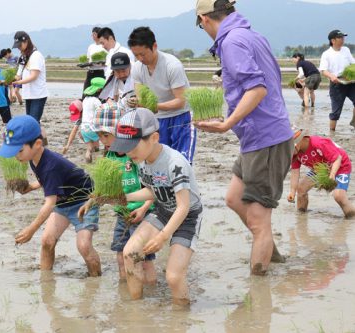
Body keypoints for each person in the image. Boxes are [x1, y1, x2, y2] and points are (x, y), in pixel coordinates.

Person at [195, 0, 294, 275]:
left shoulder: (232, 42)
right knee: (234, 198)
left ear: (204, 20)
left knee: (259, 220)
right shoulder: (251, 35)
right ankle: (269, 250)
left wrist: (228, 123)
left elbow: (257, 89)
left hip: (266, 139)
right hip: (256, 137)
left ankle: (258, 293)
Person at [107, 107, 203, 305]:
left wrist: (163, 236)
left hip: (187, 217)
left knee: (173, 277)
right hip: (162, 210)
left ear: (154, 137)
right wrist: (124, 196)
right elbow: (153, 190)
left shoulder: (175, 163)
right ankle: (136, 309)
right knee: (130, 254)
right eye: (125, 146)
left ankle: (181, 316)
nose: (128, 152)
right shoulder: (142, 161)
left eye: (133, 145)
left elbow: (183, 207)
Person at [0, 115, 101, 276]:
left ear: (38, 144)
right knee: (47, 242)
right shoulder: (33, 158)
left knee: (84, 246)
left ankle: (95, 280)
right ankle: (45, 282)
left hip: (84, 202)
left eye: (19, 151)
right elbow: (48, 180)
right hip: (64, 203)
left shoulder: (50, 165)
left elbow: (50, 203)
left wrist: (31, 229)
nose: (16, 156)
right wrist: (31, 187)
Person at [79, 102, 157, 283]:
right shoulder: (109, 157)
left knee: (144, 260)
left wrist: (144, 208)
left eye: (106, 135)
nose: (103, 140)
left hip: (144, 215)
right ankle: (126, 292)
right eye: (99, 136)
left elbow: (153, 189)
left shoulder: (137, 156)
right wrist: (89, 203)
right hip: (122, 215)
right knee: (121, 256)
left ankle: (151, 293)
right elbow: (104, 190)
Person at [127, 27, 197, 164]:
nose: (140, 59)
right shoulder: (137, 68)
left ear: (154, 46)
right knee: (159, 163)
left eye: (143, 54)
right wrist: (136, 102)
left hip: (180, 118)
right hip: (157, 120)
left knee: (182, 164)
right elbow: (141, 97)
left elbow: (181, 101)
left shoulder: (172, 66)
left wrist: (154, 106)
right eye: (136, 55)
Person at [288, 129, 355, 217]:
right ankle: (301, 218)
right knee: (301, 189)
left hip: (340, 166)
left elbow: (337, 158)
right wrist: (292, 191)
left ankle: (351, 219)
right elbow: (295, 172)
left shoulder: (318, 143)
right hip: (320, 169)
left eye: (293, 145)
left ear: (303, 138)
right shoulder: (295, 154)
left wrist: (332, 175)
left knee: (339, 196)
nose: (290, 150)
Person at [11, 31, 49, 145]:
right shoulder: (23, 56)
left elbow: (34, 76)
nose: (19, 48)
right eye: (17, 47)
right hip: (29, 94)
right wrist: (9, 81)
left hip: (38, 94)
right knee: (32, 121)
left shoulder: (36, 55)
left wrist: (17, 82)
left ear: (26, 42)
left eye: (20, 45)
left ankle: (35, 145)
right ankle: (43, 142)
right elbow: (18, 74)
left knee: (33, 122)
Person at [318, 30, 355, 131]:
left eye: (343, 37)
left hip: (350, 81)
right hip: (337, 84)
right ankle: (332, 133)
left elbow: (353, 63)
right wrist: (331, 76)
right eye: (340, 38)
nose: (343, 39)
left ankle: (354, 122)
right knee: (336, 112)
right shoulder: (326, 54)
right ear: (333, 40)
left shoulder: (346, 50)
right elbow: (323, 70)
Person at [81, 77, 105, 163]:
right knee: (101, 144)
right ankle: (100, 160)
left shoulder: (85, 100)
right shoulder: (96, 101)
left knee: (89, 147)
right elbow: (101, 112)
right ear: (99, 90)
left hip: (84, 128)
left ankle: (88, 156)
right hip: (92, 127)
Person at [82, 27, 106, 94]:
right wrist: (85, 64)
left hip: (100, 72)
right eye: (92, 34)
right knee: (86, 91)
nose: (92, 36)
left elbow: (108, 61)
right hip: (90, 72)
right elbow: (88, 60)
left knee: (99, 93)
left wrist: (102, 63)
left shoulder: (104, 46)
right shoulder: (91, 46)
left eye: (93, 34)